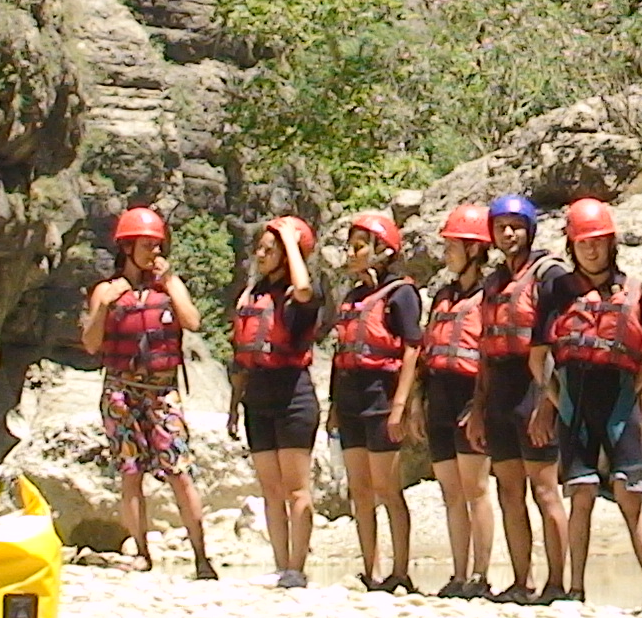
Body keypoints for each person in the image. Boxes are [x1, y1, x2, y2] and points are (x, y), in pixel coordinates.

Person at [532, 198, 642, 610]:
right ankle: (575, 587)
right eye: (583, 242)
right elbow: (538, 354)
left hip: (619, 401)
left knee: (631, 494)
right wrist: (555, 401)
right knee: (582, 493)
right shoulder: (557, 291)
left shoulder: (634, 291)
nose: (591, 250)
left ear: (612, 244)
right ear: (571, 246)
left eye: (598, 242)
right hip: (574, 402)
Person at [81, 206, 216, 580]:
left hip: (161, 392)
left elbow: (192, 321)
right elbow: (91, 344)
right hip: (121, 391)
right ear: (127, 248)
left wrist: (170, 282)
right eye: (146, 246)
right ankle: (140, 551)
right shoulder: (106, 291)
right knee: (130, 472)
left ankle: (202, 556)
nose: (155, 253)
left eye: (158, 245)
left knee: (179, 471)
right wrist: (106, 305)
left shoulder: (169, 286)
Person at [475, 195, 569, 603]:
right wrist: (477, 409)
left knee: (545, 489)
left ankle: (557, 583)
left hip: (535, 387)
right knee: (509, 490)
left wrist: (549, 403)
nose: (508, 234)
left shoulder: (549, 276)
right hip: (500, 389)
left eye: (516, 226)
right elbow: (481, 350)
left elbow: (560, 344)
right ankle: (520, 581)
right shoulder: (493, 282)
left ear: (530, 229)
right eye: (501, 227)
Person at [227, 215, 327, 588]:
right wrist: (235, 404)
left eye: (271, 250)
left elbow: (302, 288)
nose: (261, 254)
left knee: (296, 488)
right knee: (270, 489)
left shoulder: (303, 296)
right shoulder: (253, 295)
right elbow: (241, 357)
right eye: (261, 248)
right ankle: (281, 563)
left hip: (293, 397)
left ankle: (297, 568)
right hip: (258, 397)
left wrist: (290, 242)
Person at [332, 209, 421, 592]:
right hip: (351, 396)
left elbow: (413, 348)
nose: (351, 254)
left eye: (359, 247)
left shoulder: (401, 293)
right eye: (349, 248)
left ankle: (401, 571)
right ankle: (371, 570)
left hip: (381, 396)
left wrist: (400, 405)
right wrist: (334, 406)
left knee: (387, 488)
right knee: (361, 489)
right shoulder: (353, 297)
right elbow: (341, 353)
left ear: (383, 250)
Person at [418, 202, 496, 597]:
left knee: (475, 488)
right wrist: (418, 401)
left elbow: (489, 355)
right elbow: (425, 350)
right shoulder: (443, 295)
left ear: (474, 249)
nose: (446, 252)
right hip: (440, 395)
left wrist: (480, 406)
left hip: (469, 396)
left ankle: (481, 575)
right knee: (451, 491)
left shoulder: (489, 295)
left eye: (453, 245)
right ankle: (459, 572)